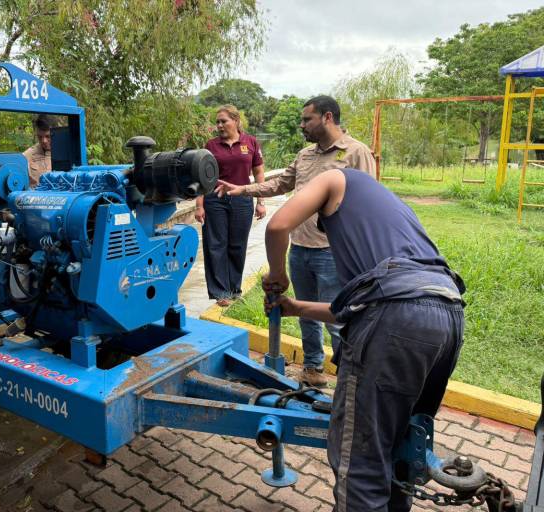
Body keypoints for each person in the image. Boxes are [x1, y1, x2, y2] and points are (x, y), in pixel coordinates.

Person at [263, 168, 465, 512]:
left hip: (398, 318)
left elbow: (277, 225)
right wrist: (296, 307)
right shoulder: (392, 218)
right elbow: (365, 309)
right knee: (401, 445)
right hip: (448, 314)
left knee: (361, 461)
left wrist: (278, 274)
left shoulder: (335, 177)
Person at [216, 95, 375, 387]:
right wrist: (243, 189)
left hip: (333, 252)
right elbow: (280, 183)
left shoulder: (356, 153)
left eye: (307, 120)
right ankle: (313, 368)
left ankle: (350, 380)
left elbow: (369, 200)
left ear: (327, 117)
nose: (302, 125)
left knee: (338, 319)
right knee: (305, 312)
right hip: (299, 248)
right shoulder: (306, 155)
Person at [197, 104, 267, 307]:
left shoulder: (251, 142)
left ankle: (235, 289)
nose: (219, 125)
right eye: (217, 122)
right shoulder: (211, 146)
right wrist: (199, 206)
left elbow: (259, 173)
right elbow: (202, 177)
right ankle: (221, 292)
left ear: (235, 121)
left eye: (223, 121)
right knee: (216, 245)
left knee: (237, 245)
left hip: (243, 199)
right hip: (215, 200)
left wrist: (260, 200)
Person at [23, 114, 53, 187]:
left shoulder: (67, 153)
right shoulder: (27, 156)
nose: (44, 141)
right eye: (40, 137)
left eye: (48, 136)